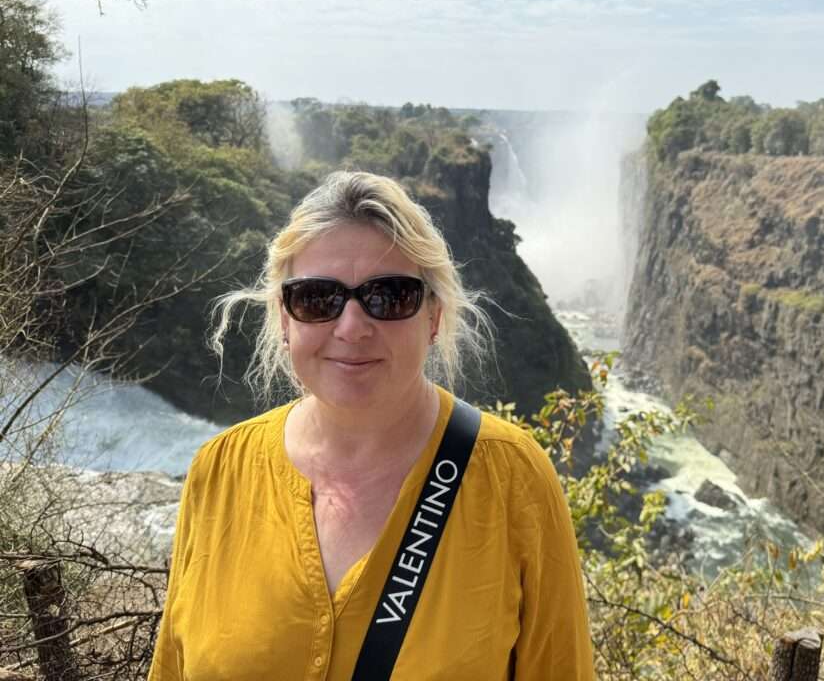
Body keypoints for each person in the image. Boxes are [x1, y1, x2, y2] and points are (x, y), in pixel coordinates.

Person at [147, 170, 595, 680]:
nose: (352, 328)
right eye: (317, 298)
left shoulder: (512, 477)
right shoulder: (221, 471)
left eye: (389, 296)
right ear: (285, 318)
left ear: (433, 316)